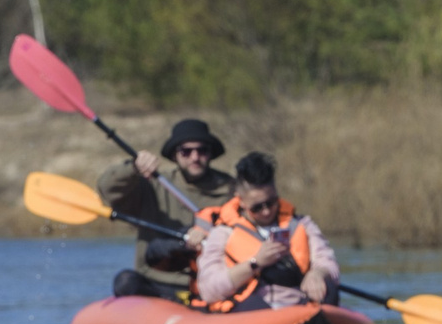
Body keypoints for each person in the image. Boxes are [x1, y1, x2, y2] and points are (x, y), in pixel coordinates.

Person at [101, 118, 238, 300]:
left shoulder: (231, 190)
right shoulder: (154, 184)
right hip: (157, 282)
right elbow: (108, 190)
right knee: (125, 281)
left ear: (211, 153)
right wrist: (133, 168)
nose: (195, 157)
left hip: (209, 282)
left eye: (202, 150)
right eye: (186, 152)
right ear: (175, 155)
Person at [189, 151, 338, 312]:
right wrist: (255, 263)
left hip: (300, 306)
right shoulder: (222, 233)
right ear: (241, 201)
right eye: (257, 207)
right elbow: (209, 290)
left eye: (271, 202)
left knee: (329, 288)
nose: (266, 212)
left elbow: (328, 262)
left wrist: (318, 273)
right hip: (252, 309)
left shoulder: (303, 224)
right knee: (254, 306)